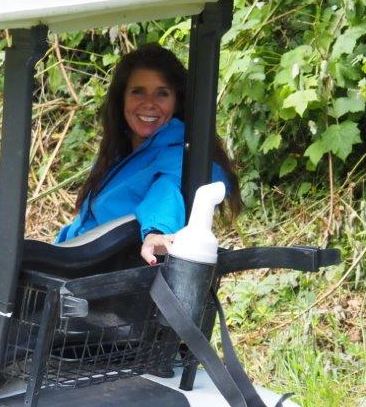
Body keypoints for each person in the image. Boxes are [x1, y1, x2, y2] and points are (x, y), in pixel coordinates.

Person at [55, 44, 240, 264]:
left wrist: (156, 231)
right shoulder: (117, 155)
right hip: (69, 259)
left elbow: (169, 189)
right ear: (122, 99)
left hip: (102, 272)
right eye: (138, 92)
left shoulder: (180, 153)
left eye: (162, 94)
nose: (149, 103)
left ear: (176, 102)